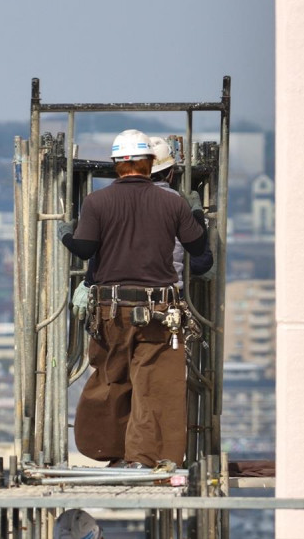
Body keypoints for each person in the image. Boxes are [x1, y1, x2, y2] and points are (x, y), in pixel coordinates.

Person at [57, 129, 207, 469]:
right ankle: (145, 457)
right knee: (154, 385)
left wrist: (66, 234)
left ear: (115, 165)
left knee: (112, 377)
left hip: (111, 310)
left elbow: (85, 249)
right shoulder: (172, 202)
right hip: (159, 309)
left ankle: (112, 451)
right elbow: (199, 250)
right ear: (150, 162)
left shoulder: (97, 202)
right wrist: (195, 216)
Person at [147, 136, 214, 280]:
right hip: (168, 290)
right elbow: (201, 263)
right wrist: (197, 215)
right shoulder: (177, 202)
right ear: (170, 173)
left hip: (119, 292)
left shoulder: (112, 201)